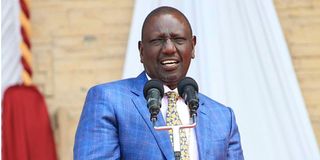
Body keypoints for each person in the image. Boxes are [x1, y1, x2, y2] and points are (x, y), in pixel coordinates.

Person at [74, 6, 244, 160]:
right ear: (141, 51)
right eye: (157, 40)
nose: (169, 48)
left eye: (178, 39)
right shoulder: (109, 100)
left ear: (192, 47)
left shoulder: (223, 117)